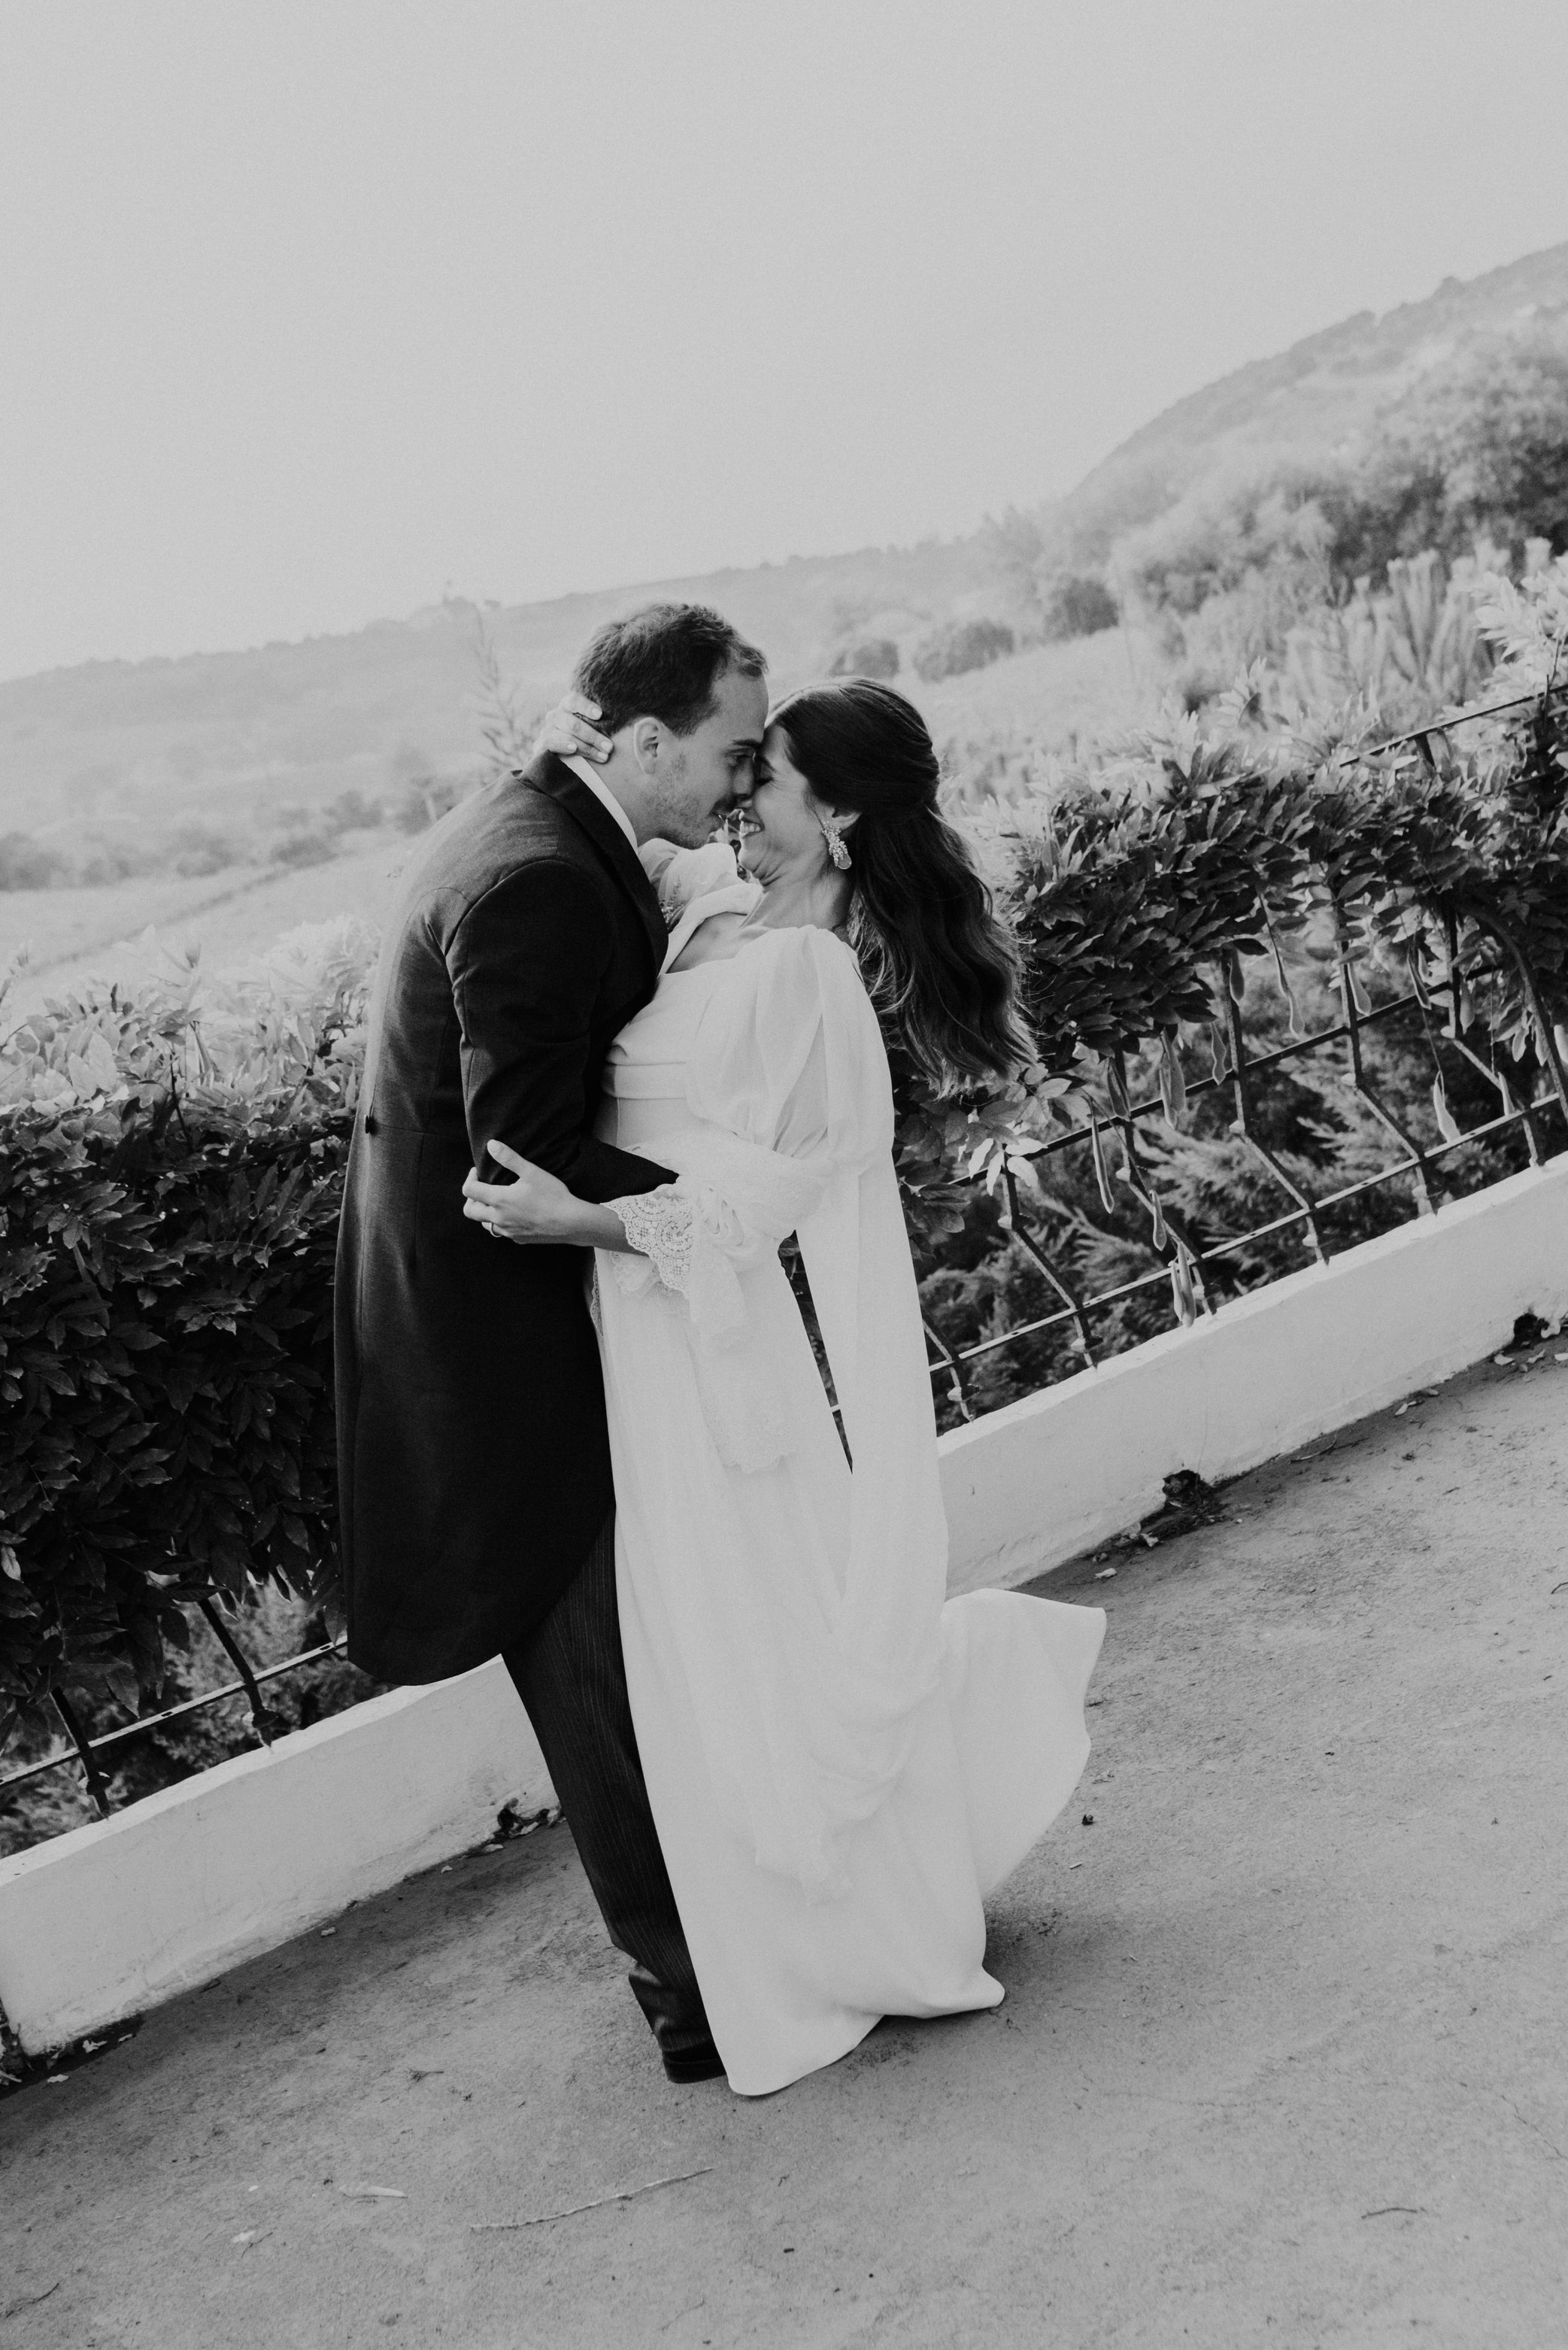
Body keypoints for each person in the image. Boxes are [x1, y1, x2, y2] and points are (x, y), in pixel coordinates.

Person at [464, 678, 1105, 2096]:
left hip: (701, 1334)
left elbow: (768, 1194)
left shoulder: (812, 973)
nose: (742, 793)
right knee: (706, 1647)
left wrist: (584, 1224)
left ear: (843, 813)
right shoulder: (715, 916)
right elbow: (608, 821)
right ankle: (769, 1931)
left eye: (772, 776)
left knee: (744, 1632)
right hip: (640, 1334)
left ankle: (838, 1937)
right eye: (740, 767)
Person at [335, 601, 769, 2082]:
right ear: (643, 741)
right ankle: (692, 1997)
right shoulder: (538, 878)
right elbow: (518, 1160)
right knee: (593, 1672)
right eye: (730, 752)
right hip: (496, 1353)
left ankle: (710, 1952)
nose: (740, 782)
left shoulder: (531, 830)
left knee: (618, 1664)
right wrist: (729, 1210)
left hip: (499, 1326)